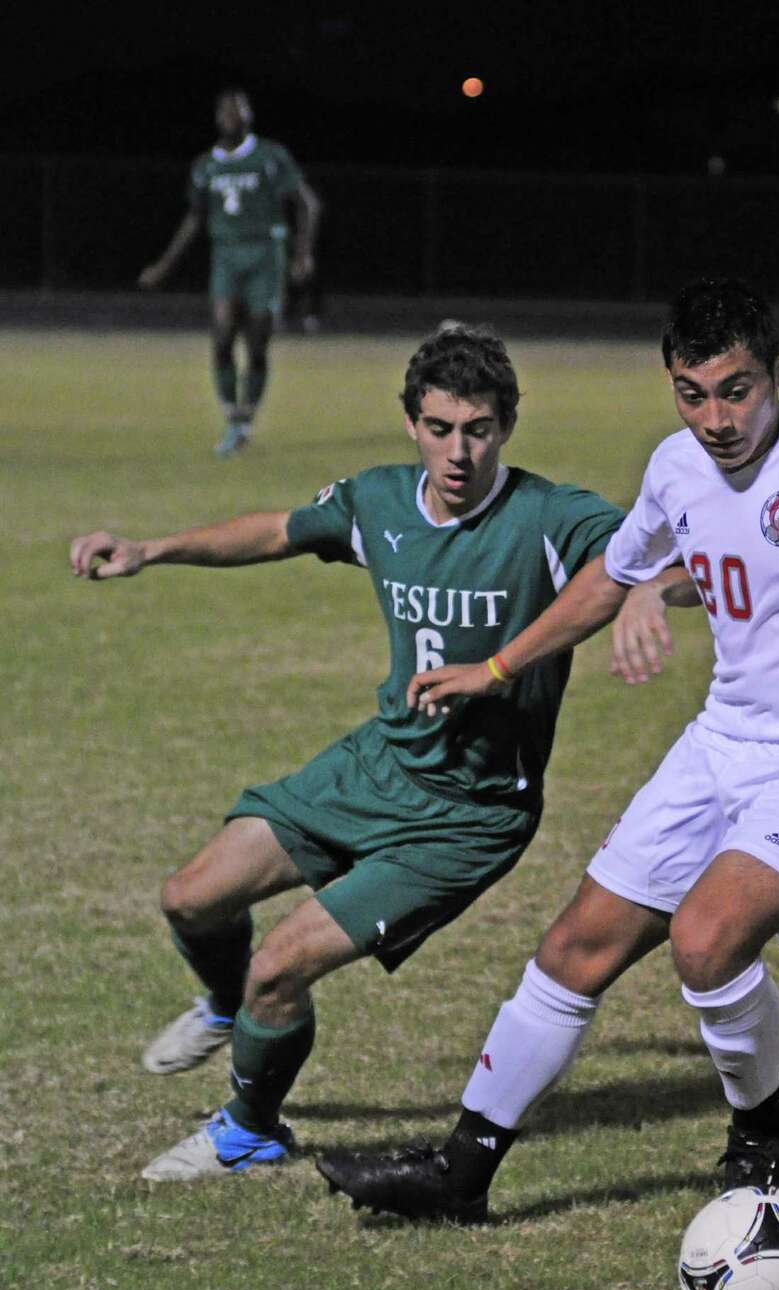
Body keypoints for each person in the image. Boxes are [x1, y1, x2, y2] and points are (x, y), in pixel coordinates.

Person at [316, 277, 779, 1225]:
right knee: (572, 949)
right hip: (721, 742)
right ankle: (461, 1172)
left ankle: (763, 1124)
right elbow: (614, 575)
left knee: (705, 941)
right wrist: (499, 665)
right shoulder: (676, 467)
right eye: (692, 393)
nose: (716, 418)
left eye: (736, 390)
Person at [67, 325, 643, 1183]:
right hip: (378, 766)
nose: (459, 451)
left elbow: (643, 556)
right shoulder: (378, 502)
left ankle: (250, 1130)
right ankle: (228, 1009)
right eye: (440, 428)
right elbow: (278, 530)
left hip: (468, 816)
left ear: (507, 426)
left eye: (478, 429)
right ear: (411, 424)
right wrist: (154, 549)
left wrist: (625, 604)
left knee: (280, 967)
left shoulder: (546, 517)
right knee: (190, 899)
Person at [139, 89, 321, 456]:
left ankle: (245, 419)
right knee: (222, 335)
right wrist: (164, 265)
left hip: (265, 257)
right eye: (224, 109)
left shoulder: (270, 156)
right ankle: (233, 420)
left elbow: (308, 203)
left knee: (256, 342)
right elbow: (195, 218)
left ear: (249, 116)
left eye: (238, 109)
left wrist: (302, 254)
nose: (230, 115)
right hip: (226, 257)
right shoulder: (206, 165)